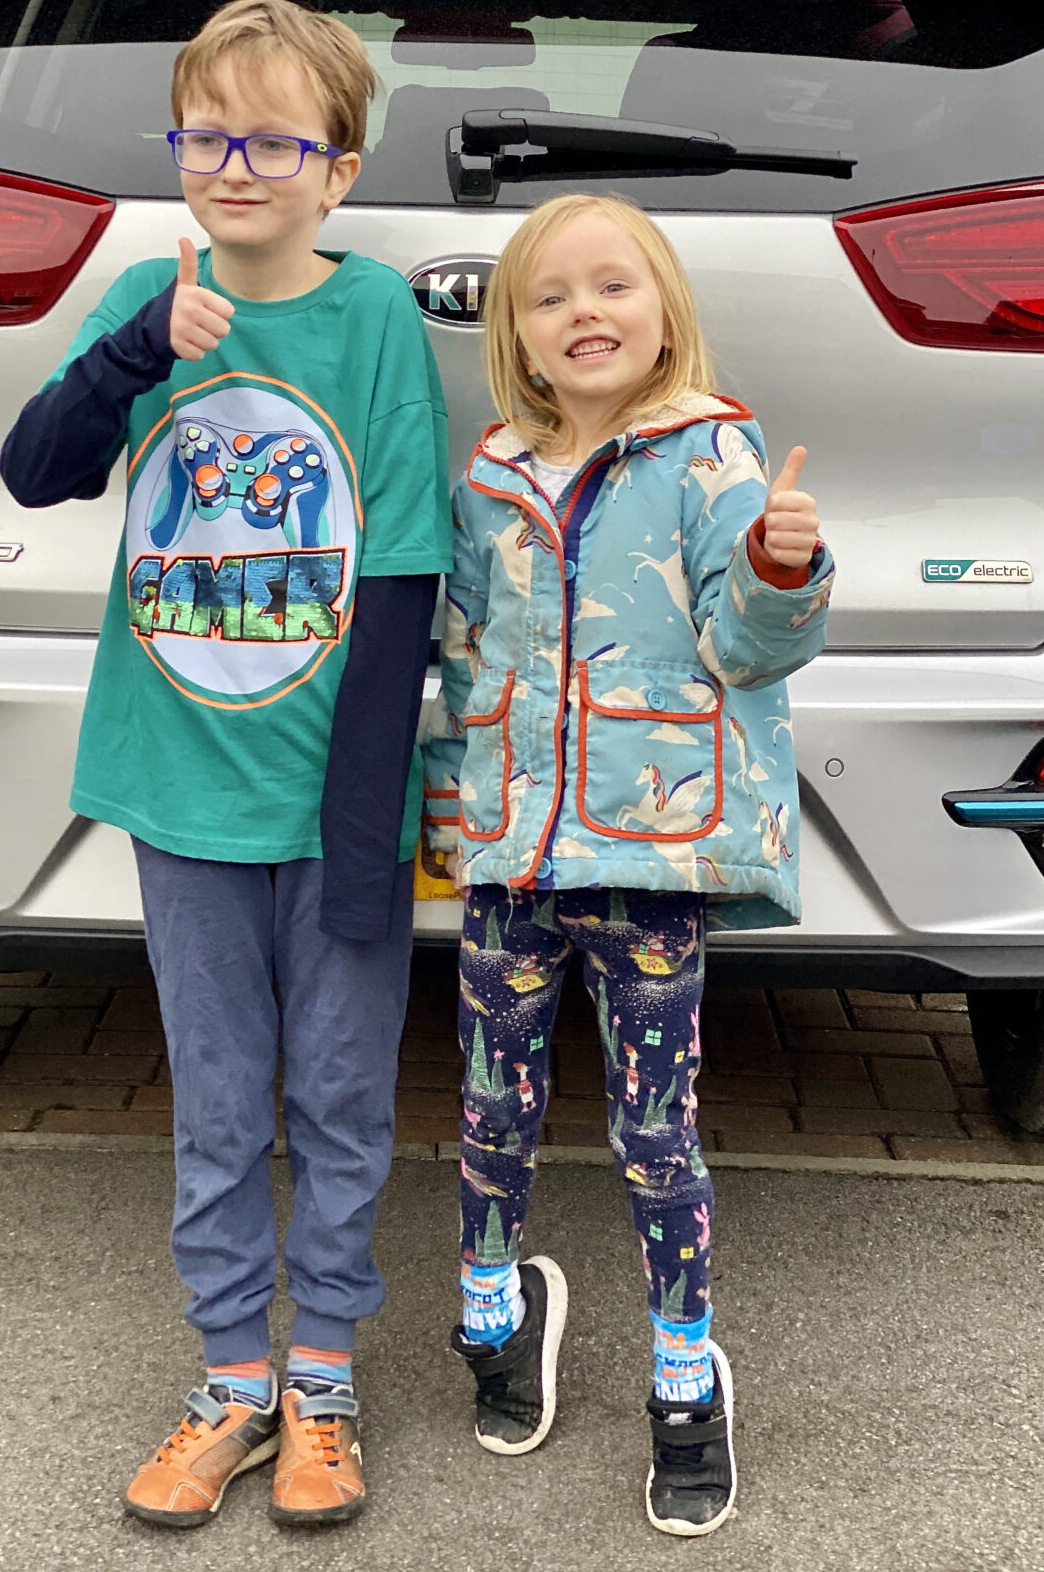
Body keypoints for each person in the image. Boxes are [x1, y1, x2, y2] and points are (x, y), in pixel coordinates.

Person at [0, 0, 451, 1530]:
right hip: (179, 782)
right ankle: (232, 1380)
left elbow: (398, 563)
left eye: (276, 139)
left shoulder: (374, 314)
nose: (238, 165)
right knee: (217, 1093)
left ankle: (322, 1370)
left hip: (335, 796)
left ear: (340, 167)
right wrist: (139, 347)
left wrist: (368, 812)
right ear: (179, 148)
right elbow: (40, 468)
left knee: (337, 1095)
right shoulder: (147, 290)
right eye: (209, 134)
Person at [421, 192, 834, 1537]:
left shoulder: (710, 457)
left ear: (664, 318)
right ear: (519, 341)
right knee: (490, 1110)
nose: (583, 313)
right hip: (514, 859)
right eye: (549, 297)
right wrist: (452, 809)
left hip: (649, 858)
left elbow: (754, 651)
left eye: (613, 287)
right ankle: (497, 1304)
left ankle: (682, 1376)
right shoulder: (492, 476)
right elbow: (463, 657)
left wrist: (783, 566)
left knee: (655, 1133)